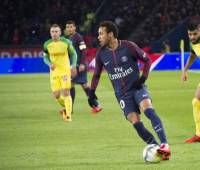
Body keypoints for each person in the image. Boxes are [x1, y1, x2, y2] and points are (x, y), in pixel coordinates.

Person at [88, 21, 171, 160]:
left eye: (101, 34)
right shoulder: (101, 54)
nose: (99, 37)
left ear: (111, 34)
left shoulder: (128, 46)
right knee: (135, 122)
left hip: (137, 87)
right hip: (122, 95)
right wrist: (91, 93)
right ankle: (158, 150)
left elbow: (147, 60)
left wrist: (143, 78)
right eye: (98, 34)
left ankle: (165, 145)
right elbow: (96, 74)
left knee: (148, 110)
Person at [65, 20, 102, 113]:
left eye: (71, 27)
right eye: (67, 27)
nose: (69, 29)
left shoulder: (78, 37)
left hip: (79, 65)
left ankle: (70, 109)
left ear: (74, 28)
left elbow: (84, 50)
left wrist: (81, 63)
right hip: (74, 65)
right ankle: (96, 105)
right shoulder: (69, 38)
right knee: (83, 85)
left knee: (72, 85)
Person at [43, 24, 77, 122]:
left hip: (65, 71)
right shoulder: (47, 44)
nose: (54, 33)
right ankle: (67, 107)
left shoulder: (66, 42)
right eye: (52, 32)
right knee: (56, 95)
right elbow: (45, 57)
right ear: (50, 33)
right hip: (54, 72)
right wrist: (49, 64)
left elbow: (73, 54)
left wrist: (73, 65)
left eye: (56, 31)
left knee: (66, 92)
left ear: (60, 32)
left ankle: (68, 115)